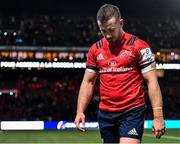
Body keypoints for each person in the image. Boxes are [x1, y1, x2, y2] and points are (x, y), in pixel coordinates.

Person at [74, 4, 165, 144]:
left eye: (111, 30)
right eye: (103, 31)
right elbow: (88, 82)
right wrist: (80, 111)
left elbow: (152, 81)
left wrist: (158, 116)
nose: (108, 35)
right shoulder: (95, 50)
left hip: (132, 112)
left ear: (121, 23)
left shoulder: (140, 47)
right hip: (105, 114)